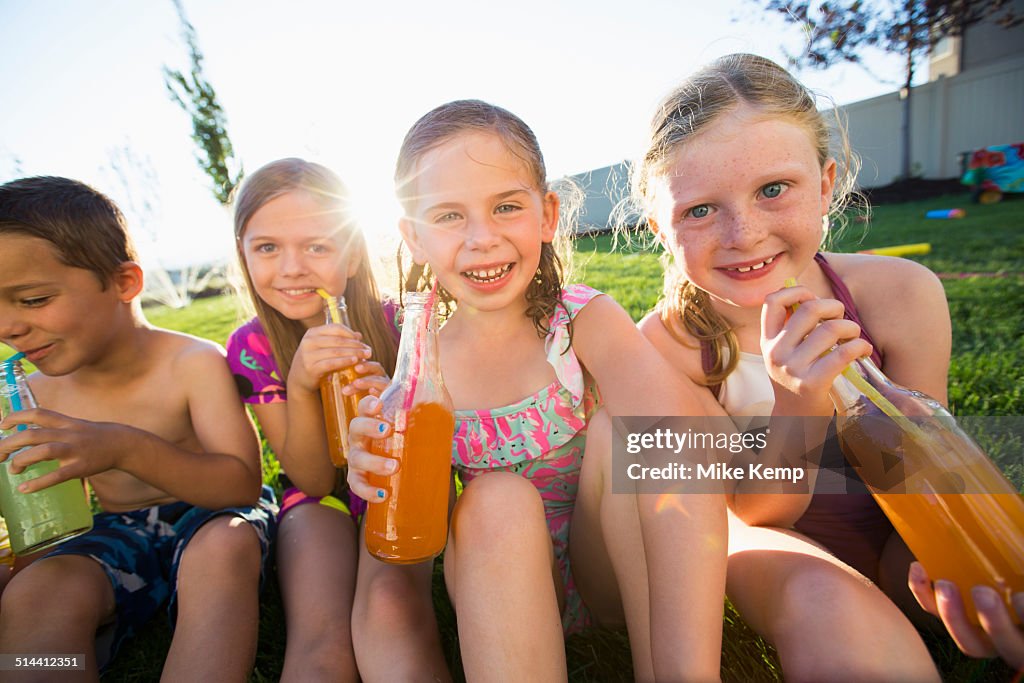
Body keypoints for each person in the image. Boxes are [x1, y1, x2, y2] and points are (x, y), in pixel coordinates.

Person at [347, 99, 727, 682]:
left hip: (607, 569)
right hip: (498, 580)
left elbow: (679, 448)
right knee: (496, 498)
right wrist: (377, 465)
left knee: (629, 432)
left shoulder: (581, 321)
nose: (482, 238)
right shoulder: (421, 365)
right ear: (414, 237)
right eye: (448, 216)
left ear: (547, 215)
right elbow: (416, 521)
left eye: (505, 207)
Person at [632, 54, 943, 680]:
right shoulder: (663, 349)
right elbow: (755, 513)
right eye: (700, 210)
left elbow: (922, 476)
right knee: (826, 600)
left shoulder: (900, 294)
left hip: (895, 518)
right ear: (659, 229)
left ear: (827, 183)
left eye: (774, 190)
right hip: (770, 545)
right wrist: (798, 400)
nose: (744, 234)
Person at [0, 176, 277, 680]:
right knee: (37, 592)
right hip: (115, 529)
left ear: (125, 282)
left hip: (211, 517)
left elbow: (240, 484)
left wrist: (124, 448)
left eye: (33, 300)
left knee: (222, 550)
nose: (8, 327)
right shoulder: (34, 391)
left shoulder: (192, 362)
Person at [227, 158, 450, 682]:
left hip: (397, 489)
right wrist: (302, 384)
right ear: (244, 255)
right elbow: (311, 478)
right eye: (267, 248)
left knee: (393, 605)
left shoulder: (402, 327)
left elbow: (436, 438)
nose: (291, 267)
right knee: (321, 640)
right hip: (318, 504)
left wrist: (394, 411)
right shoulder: (252, 348)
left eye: (317, 245)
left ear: (351, 255)